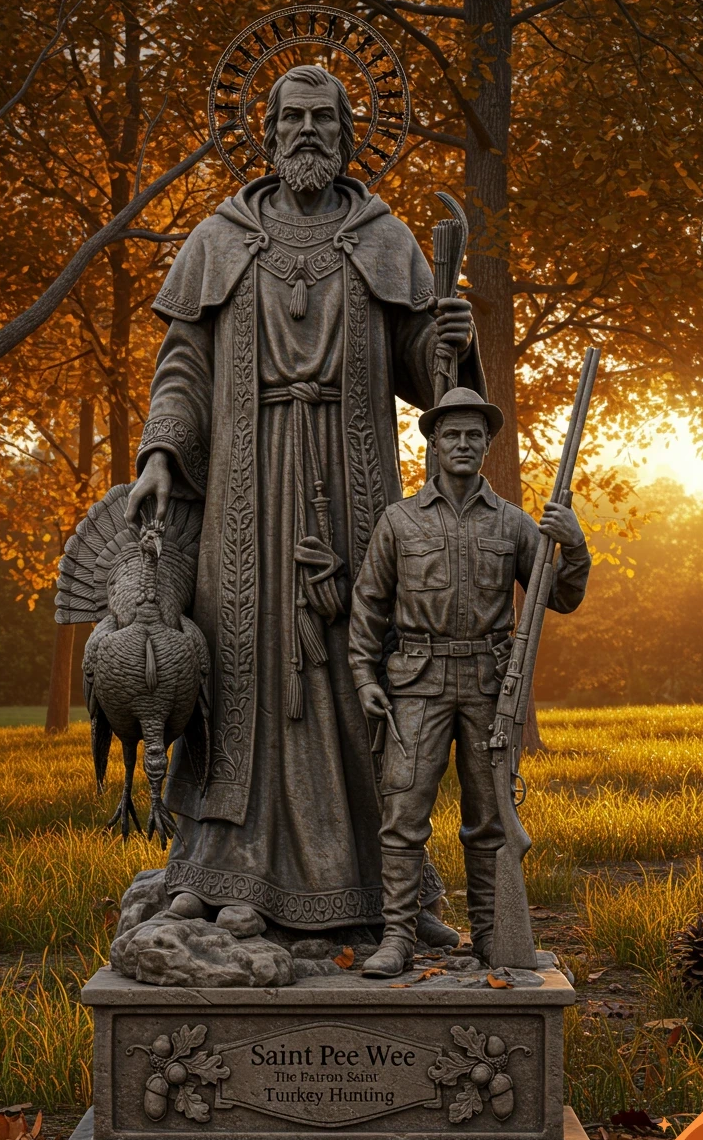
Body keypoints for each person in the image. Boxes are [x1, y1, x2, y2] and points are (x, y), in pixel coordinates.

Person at [125, 65, 482, 936]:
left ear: (348, 132)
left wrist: (448, 342)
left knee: (365, 667)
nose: (309, 131)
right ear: (270, 131)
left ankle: (392, 890)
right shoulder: (223, 237)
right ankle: (226, 874)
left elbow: (426, 381)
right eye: (294, 118)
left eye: (326, 117)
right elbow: (185, 364)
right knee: (243, 668)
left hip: (355, 486)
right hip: (245, 488)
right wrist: (162, 452)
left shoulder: (383, 237)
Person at [348, 387, 591, 976]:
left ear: (486, 446)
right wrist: (362, 675)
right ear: (432, 445)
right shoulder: (399, 521)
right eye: (451, 435)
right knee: (403, 816)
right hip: (415, 685)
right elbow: (369, 606)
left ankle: (492, 938)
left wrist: (575, 543)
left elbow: (557, 597)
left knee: (490, 821)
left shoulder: (512, 524)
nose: (462, 444)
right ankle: (398, 939)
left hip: (488, 688)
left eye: (473, 436)